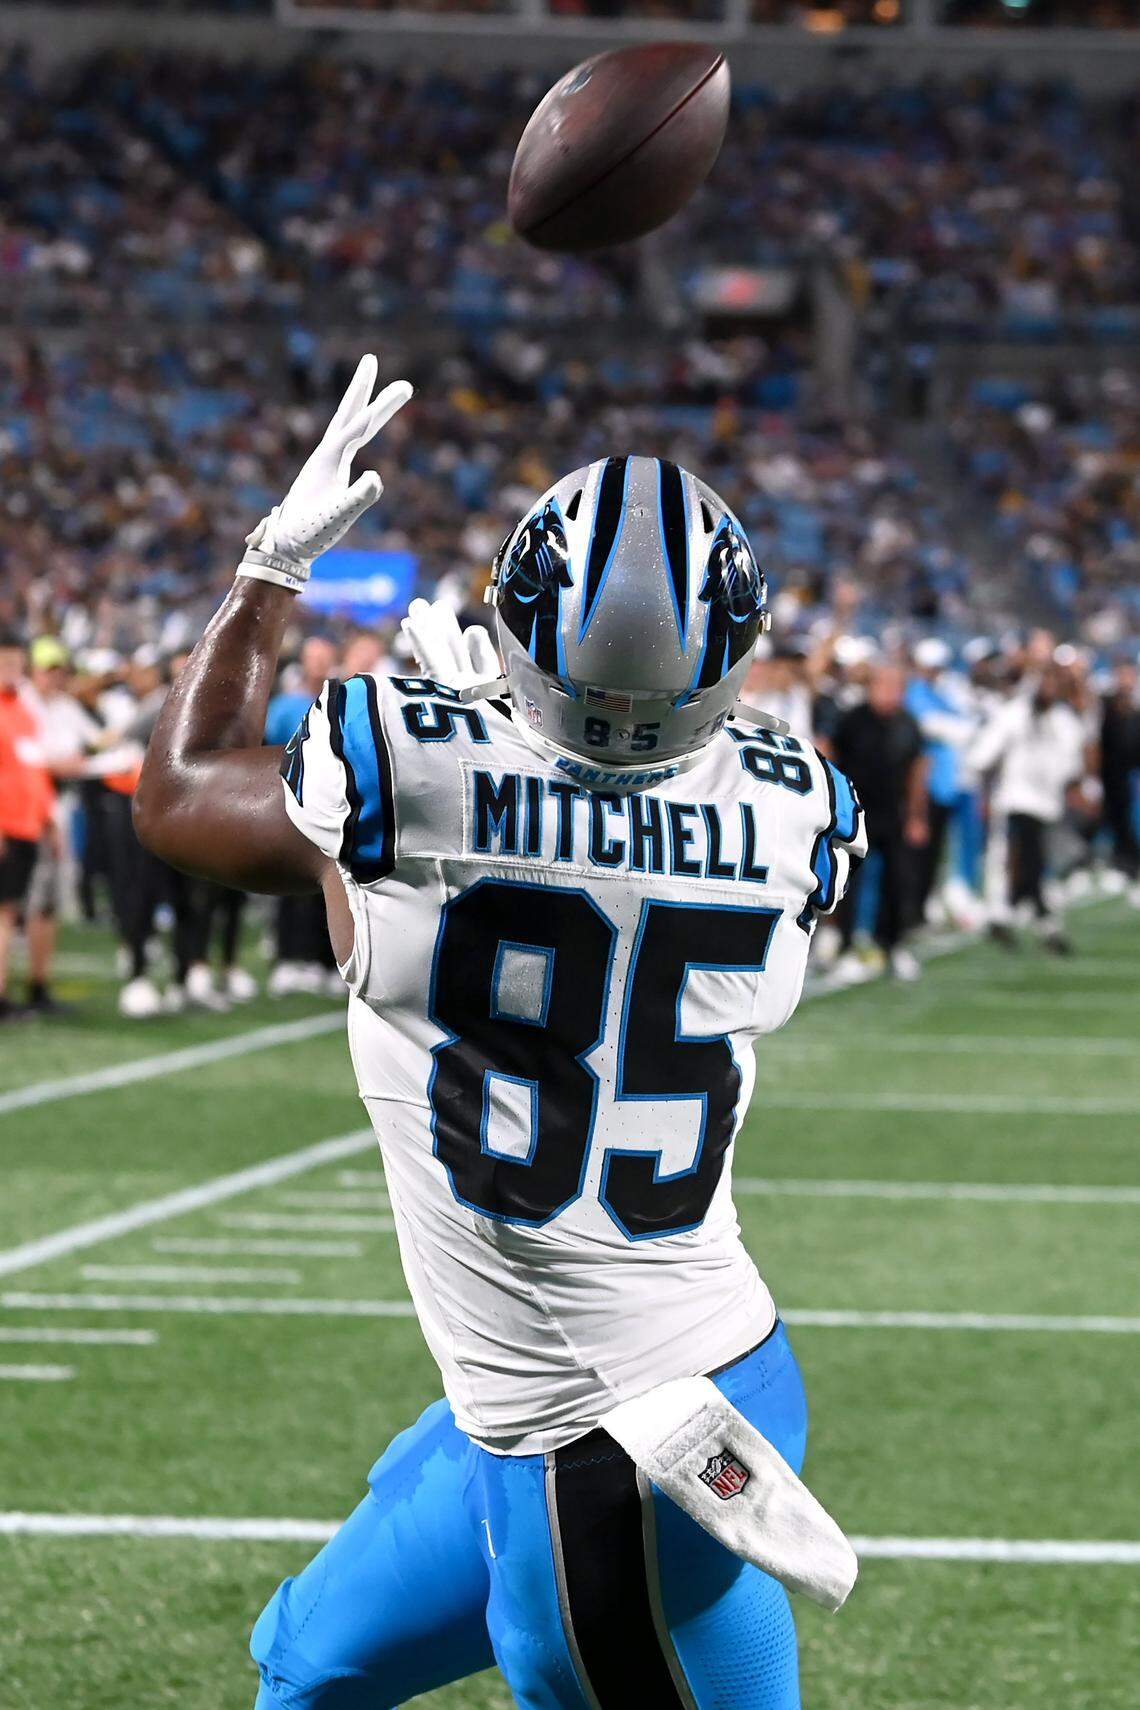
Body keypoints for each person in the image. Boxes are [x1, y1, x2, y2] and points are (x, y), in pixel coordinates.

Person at [134, 357, 866, 1710]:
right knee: (309, 1661)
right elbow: (618, 832)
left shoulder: (408, 774)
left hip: (606, 1446)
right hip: (664, 1376)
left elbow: (176, 794)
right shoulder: (797, 811)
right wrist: (521, 764)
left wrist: (269, 571)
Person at [970, 659, 1089, 952]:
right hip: (1015, 801)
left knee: (1033, 866)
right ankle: (1041, 923)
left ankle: (1007, 916)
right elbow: (983, 757)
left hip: (1048, 805)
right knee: (1021, 861)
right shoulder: (1013, 714)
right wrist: (984, 796)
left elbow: (1072, 767)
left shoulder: (1064, 721)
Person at [833, 661, 928, 981]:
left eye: (895, 687)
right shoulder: (853, 720)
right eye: (883, 686)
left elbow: (918, 770)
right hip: (855, 814)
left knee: (899, 882)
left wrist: (917, 815)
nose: (889, 694)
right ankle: (845, 947)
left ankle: (893, 944)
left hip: (894, 815)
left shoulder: (908, 724)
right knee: (849, 883)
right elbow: (830, 759)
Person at [264, 634, 340, 996]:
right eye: (313, 657)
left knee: (330, 887)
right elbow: (267, 752)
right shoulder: (285, 705)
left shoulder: (343, 702)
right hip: (291, 806)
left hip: (332, 810)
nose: (319, 664)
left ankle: (326, 961)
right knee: (288, 884)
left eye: (324, 657)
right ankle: (288, 958)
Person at [0, 634, 57, 1021]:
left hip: (27, 827)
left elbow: (34, 770)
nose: (13, 671)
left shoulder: (22, 710)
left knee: (11, 913)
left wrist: (49, 820)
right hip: (6, 827)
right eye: (6, 663)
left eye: (17, 664)